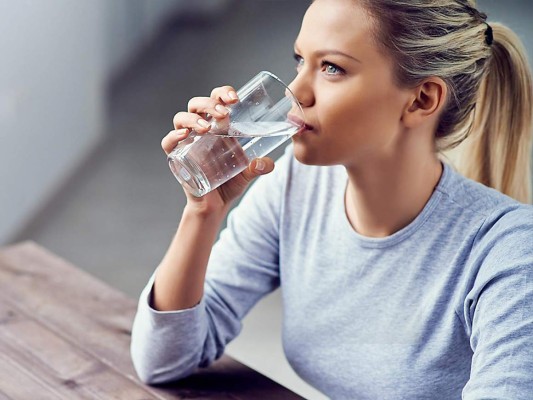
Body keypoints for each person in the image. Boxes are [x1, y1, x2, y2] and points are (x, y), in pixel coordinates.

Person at [130, 0, 533, 398]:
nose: (297, 93)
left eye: (332, 68)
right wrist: (202, 211)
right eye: (299, 61)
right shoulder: (297, 184)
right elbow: (163, 361)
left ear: (421, 99)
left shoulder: (511, 252)